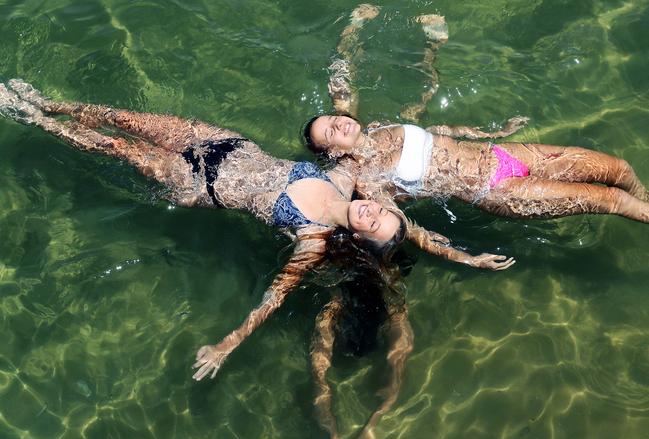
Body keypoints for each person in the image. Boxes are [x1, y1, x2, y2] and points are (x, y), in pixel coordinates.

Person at [0, 80, 513, 381]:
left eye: (372, 224)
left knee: (109, 146)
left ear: (358, 239)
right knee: (124, 119)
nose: (369, 214)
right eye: (377, 212)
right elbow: (404, 223)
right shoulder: (344, 176)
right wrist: (462, 254)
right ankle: (49, 101)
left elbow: (273, 298)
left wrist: (227, 344)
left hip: (196, 183)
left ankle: (34, 119)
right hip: (224, 142)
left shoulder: (311, 239)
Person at [305, 9, 649, 224]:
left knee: (619, 168)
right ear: (334, 152)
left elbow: (435, 132)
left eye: (332, 119)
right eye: (331, 132)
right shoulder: (368, 182)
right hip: (497, 190)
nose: (338, 123)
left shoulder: (381, 128)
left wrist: (490, 132)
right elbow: (397, 228)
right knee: (612, 199)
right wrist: (459, 254)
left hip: (501, 154)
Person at [312, 228, 414, 439]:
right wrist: (355, 438)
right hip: (374, 265)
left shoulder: (390, 312)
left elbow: (320, 381)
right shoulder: (392, 312)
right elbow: (393, 380)